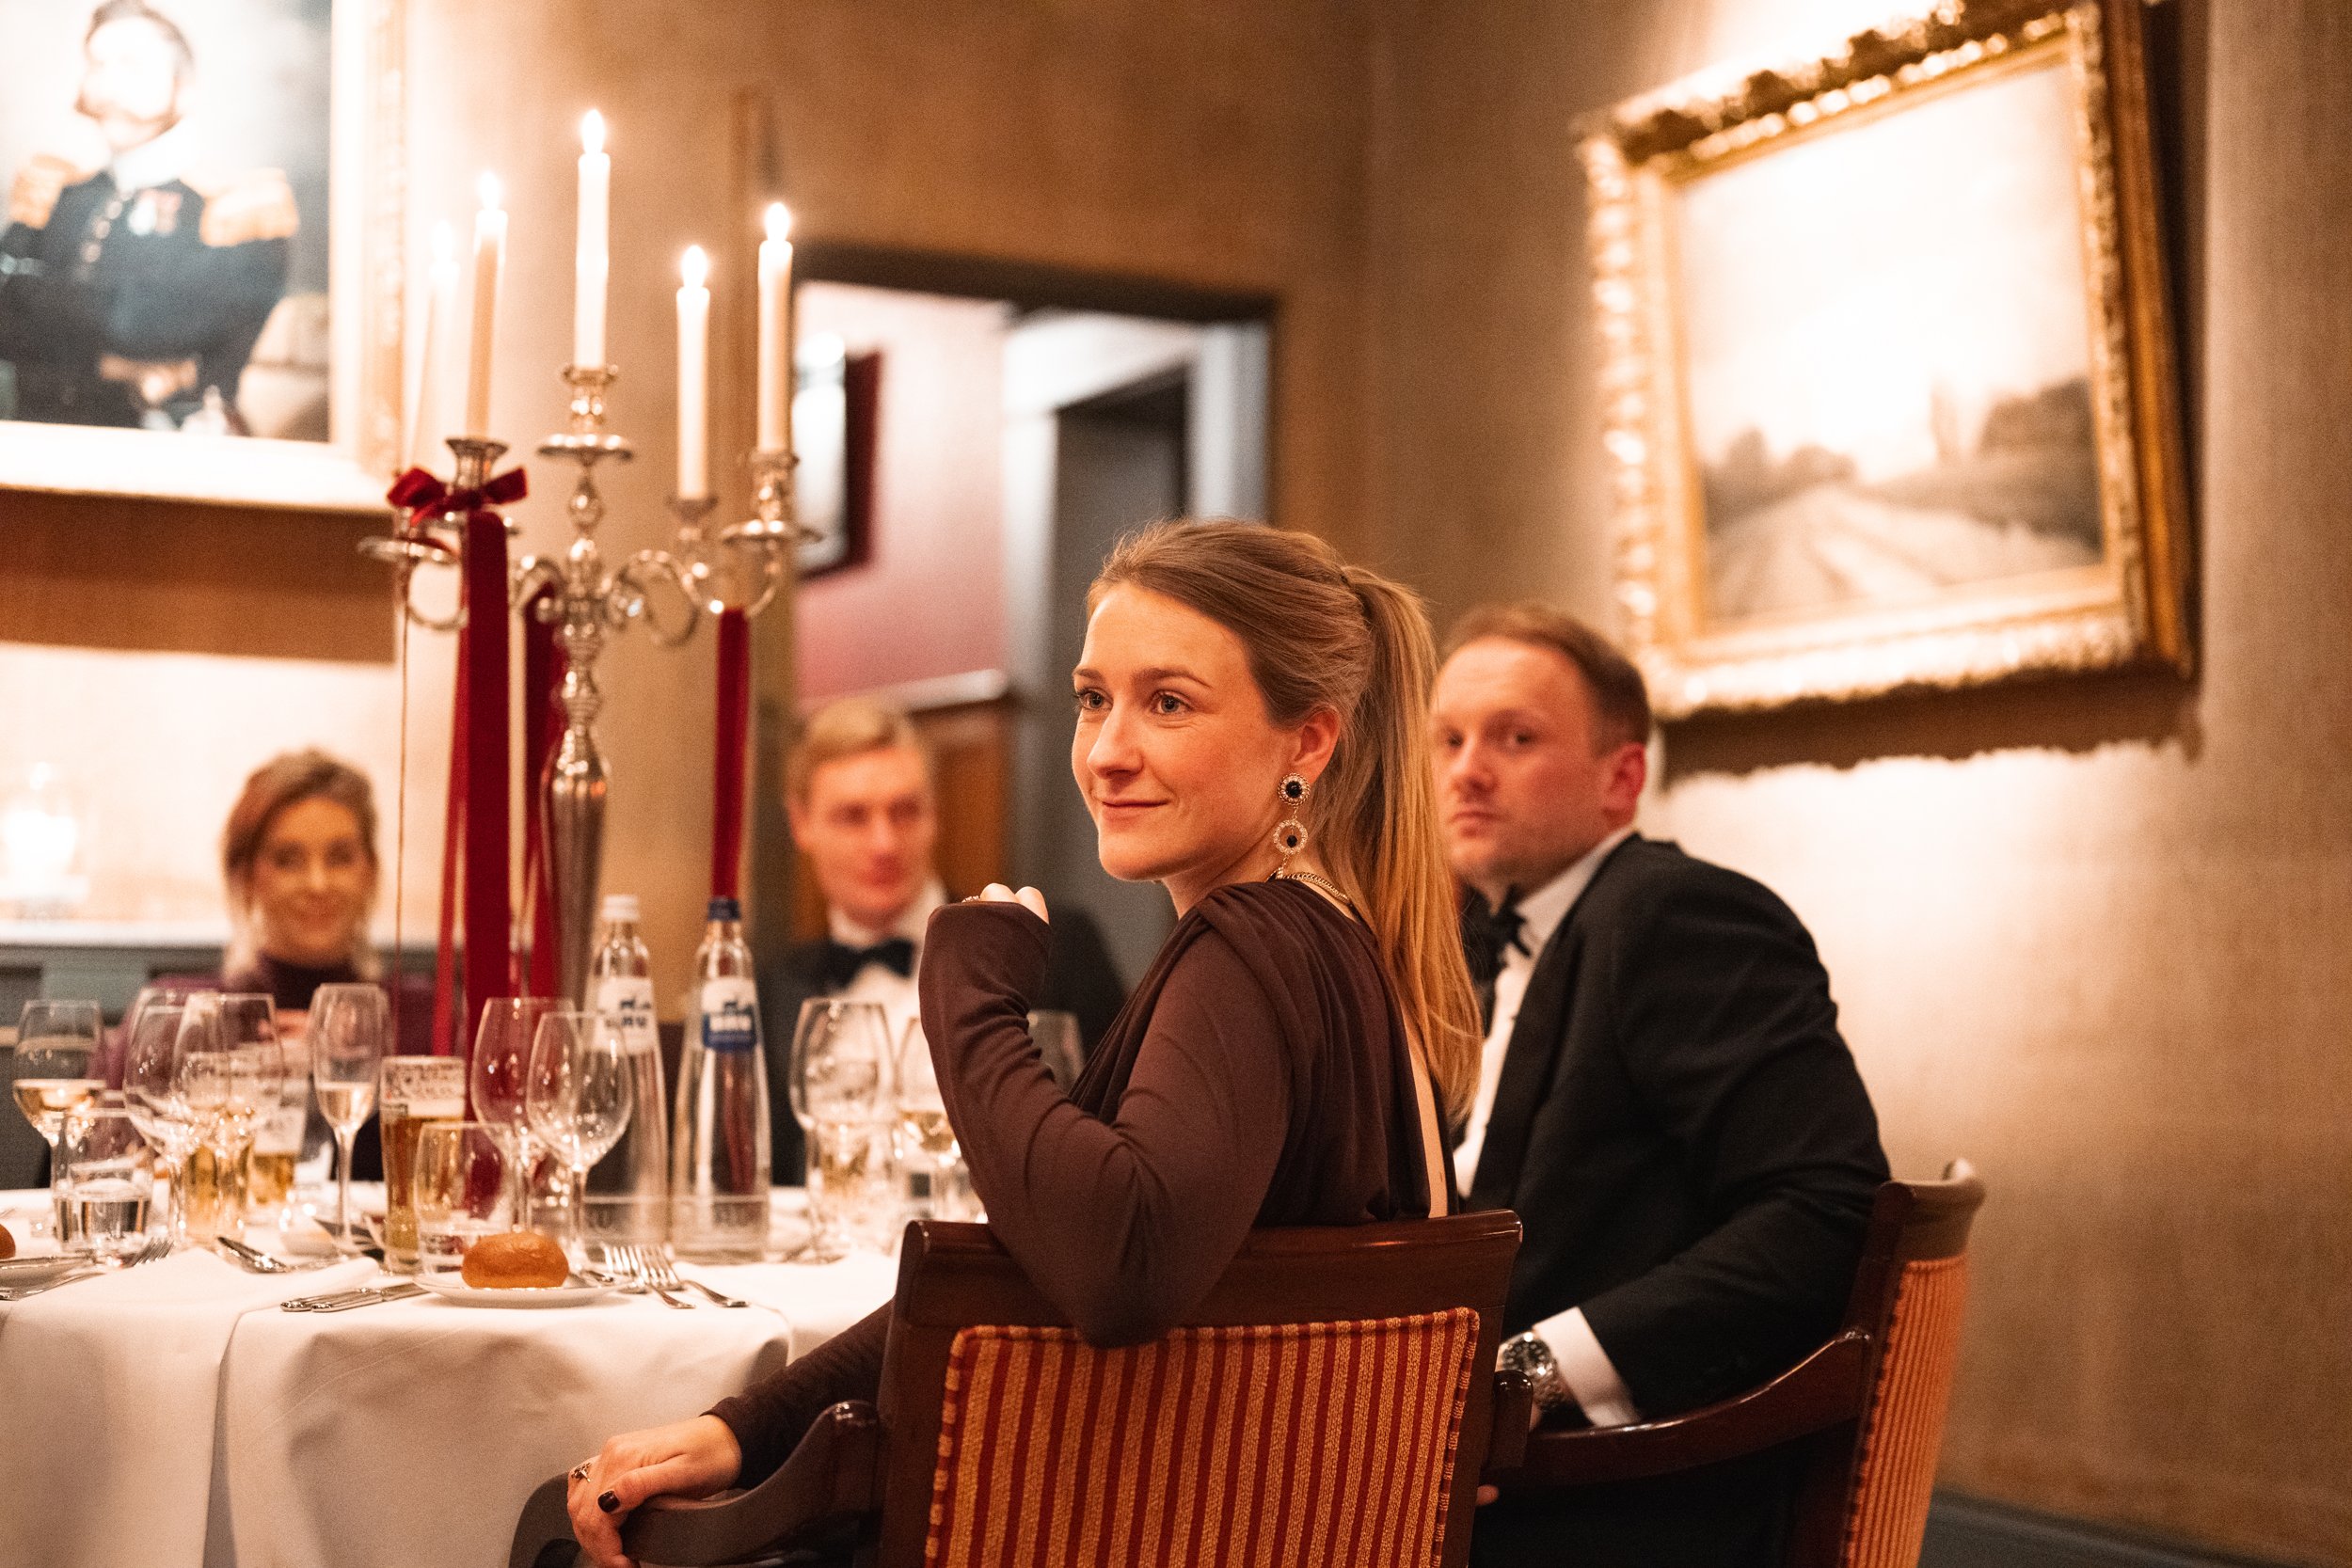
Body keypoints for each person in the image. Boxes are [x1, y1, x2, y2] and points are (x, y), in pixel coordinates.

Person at [566, 520, 1478, 1566]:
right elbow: (1013, 1266)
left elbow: (1115, 1263)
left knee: (557, 1529)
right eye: (1095, 698)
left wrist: (965, 998)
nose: (1106, 750)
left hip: (1138, 1532)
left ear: (1307, 741)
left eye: (1168, 703)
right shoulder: (1324, 937)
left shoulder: (1251, 944)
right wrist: (745, 1427)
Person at [1432, 603, 1889, 1568]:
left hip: (1632, 1498)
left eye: (1515, 737)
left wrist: (1529, 1373)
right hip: (1496, 1464)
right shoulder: (1492, 937)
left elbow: (1824, 1208)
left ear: (1622, 777)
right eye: (1449, 738)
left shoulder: (1674, 916)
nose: (1466, 770)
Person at [757, 697, 1128, 1180]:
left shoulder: (1057, 946)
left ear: (935, 814)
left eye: (905, 811)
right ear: (801, 823)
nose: (884, 843)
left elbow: (1113, 1140)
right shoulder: (770, 992)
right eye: (853, 816)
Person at [0, 0, 294, 430]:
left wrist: (43, 308)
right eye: (98, 65)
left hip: (165, 454)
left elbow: (141, 326)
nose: (108, 85)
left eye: (131, 65)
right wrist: (116, 351)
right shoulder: (56, 194)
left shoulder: (236, 210)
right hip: (40, 443)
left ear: (183, 85)